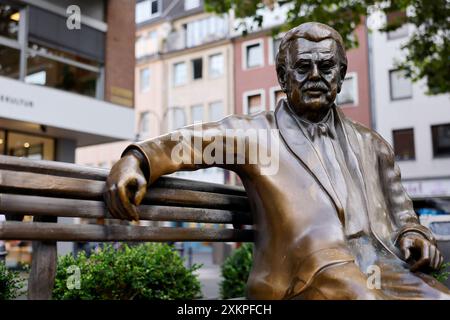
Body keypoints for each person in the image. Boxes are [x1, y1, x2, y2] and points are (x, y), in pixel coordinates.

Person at [104, 22, 450, 299]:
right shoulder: (256, 136)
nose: (316, 75)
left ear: (341, 75)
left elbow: (405, 215)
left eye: (327, 66)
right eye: (303, 67)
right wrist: (138, 158)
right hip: (304, 273)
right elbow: (193, 142)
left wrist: (414, 234)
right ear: (283, 78)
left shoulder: (373, 144)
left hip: (381, 262)